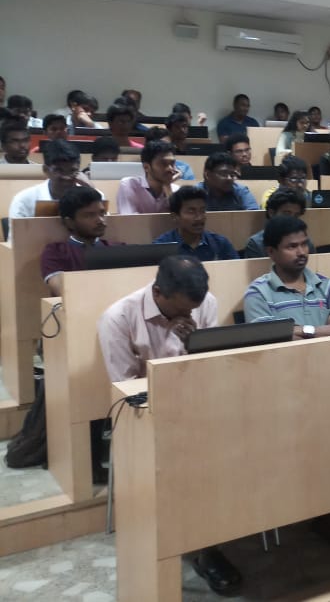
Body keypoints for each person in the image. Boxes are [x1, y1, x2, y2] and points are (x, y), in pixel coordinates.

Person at [96, 255, 240, 595]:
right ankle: (203, 547)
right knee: (197, 462)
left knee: (240, 448)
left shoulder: (205, 303)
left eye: (193, 310)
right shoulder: (119, 318)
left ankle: (217, 534)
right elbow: (128, 391)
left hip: (200, 407)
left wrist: (194, 345)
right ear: (158, 293)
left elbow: (213, 367)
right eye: (180, 311)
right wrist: (171, 361)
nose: (188, 317)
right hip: (146, 417)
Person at [244, 216, 330, 339]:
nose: (301, 252)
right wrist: (325, 330)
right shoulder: (258, 292)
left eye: (304, 244)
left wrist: (298, 330)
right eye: (292, 246)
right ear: (271, 251)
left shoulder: (328, 286)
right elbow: (267, 340)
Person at [41, 187, 120, 295]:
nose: (101, 220)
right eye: (89, 215)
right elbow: (63, 292)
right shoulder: (56, 252)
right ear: (69, 222)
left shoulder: (117, 248)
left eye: (102, 213)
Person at [10, 139, 95, 219]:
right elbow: (17, 230)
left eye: (72, 170)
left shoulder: (91, 193)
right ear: (46, 170)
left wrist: (91, 191)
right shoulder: (24, 200)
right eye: (59, 170)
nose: (67, 177)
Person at [153, 186, 238, 261]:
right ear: (175, 216)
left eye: (202, 211)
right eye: (191, 211)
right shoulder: (161, 247)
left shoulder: (220, 244)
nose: (199, 217)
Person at [244, 188, 313, 258]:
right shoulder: (256, 243)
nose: (292, 219)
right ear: (271, 213)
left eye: (296, 215)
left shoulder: (305, 241)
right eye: (287, 214)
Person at [116, 141, 180, 215]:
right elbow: (129, 219)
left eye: (172, 163)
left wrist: (167, 186)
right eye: (163, 164)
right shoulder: (129, 184)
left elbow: (178, 219)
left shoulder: (176, 190)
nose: (170, 168)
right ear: (146, 167)